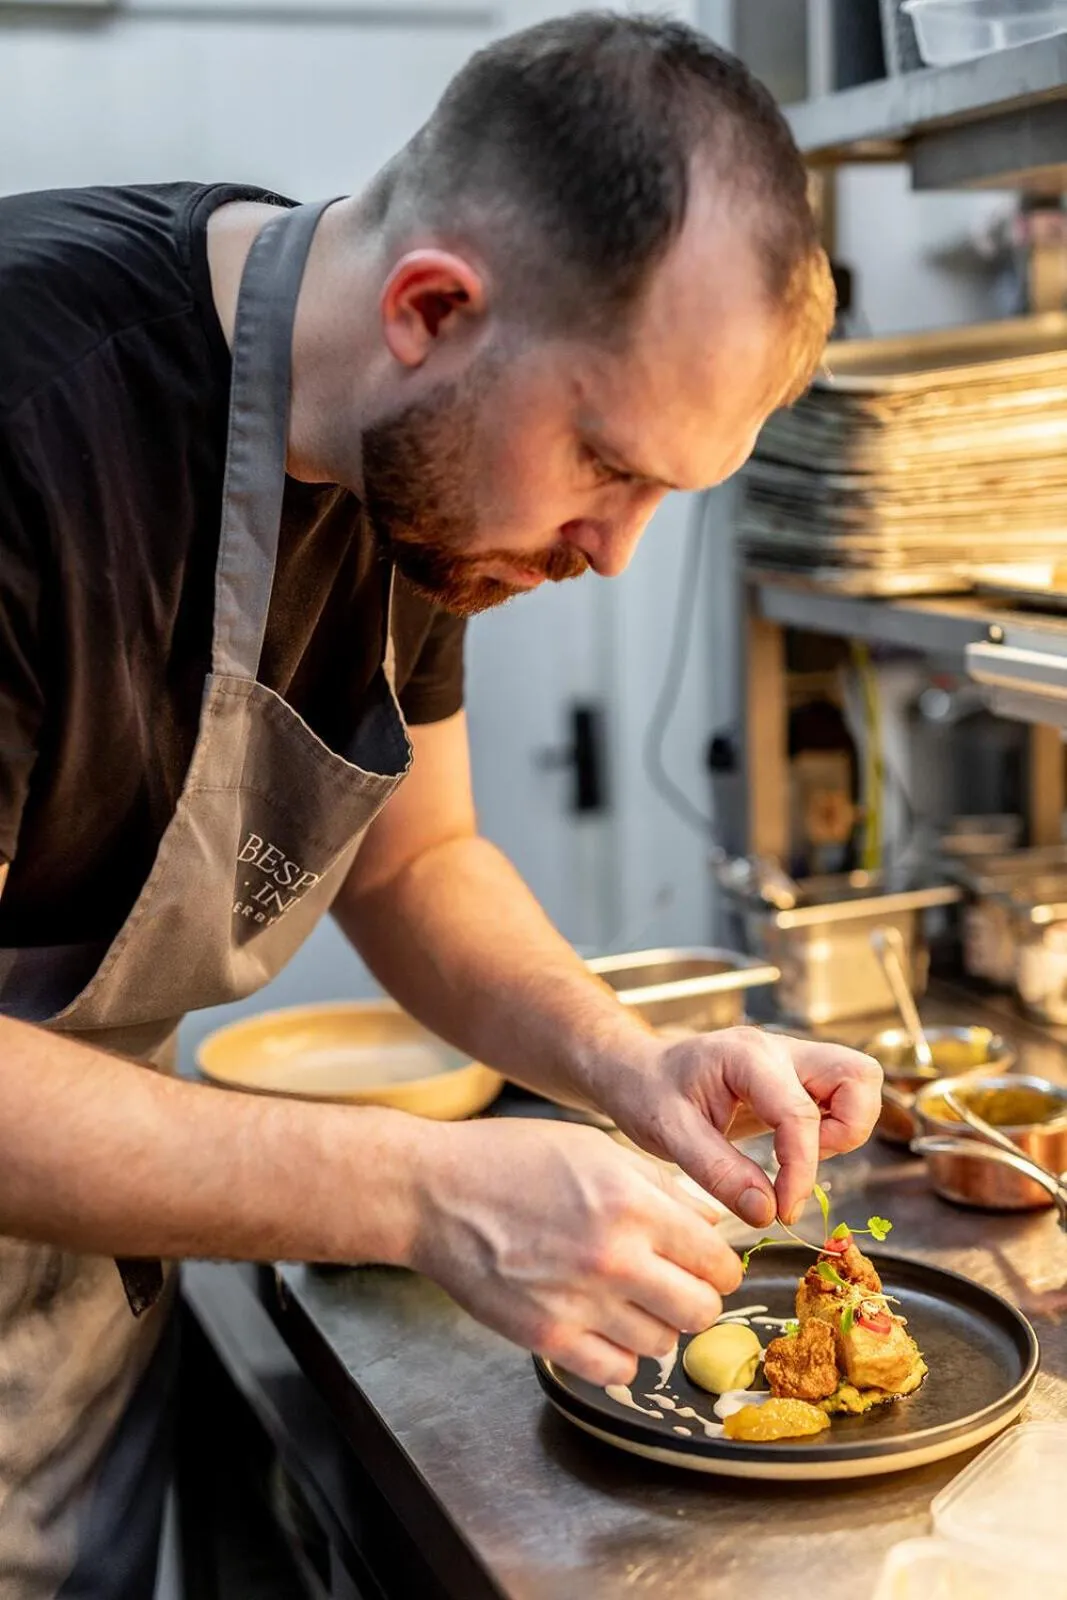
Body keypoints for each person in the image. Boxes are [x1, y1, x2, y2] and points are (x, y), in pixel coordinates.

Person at [0, 11, 880, 1595]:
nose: (612, 551)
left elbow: (417, 865)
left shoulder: (423, 487)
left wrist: (632, 1063)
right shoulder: (29, 415)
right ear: (431, 308)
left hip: (61, 1371)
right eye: (606, 466)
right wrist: (423, 1191)